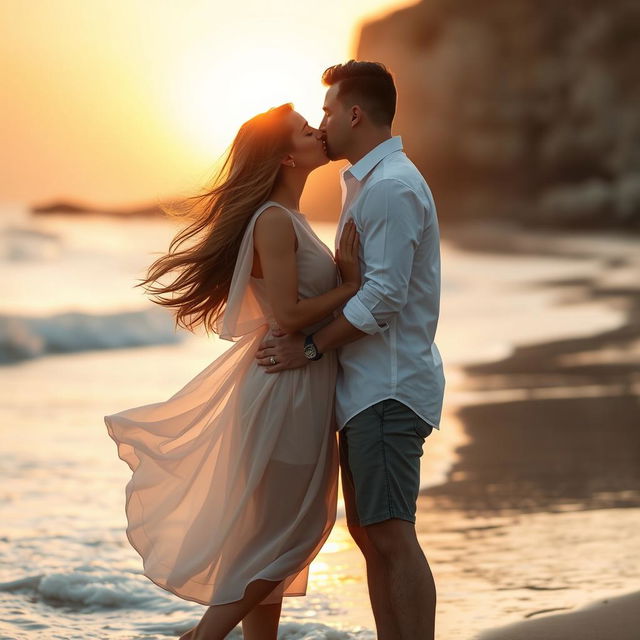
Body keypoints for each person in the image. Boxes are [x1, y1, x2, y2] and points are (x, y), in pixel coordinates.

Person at [104, 102, 362, 640]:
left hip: (297, 385)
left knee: (271, 540)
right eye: (304, 130)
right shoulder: (273, 219)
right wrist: (354, 286)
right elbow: (289, 315)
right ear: (287, 155)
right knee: (287, 536)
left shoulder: (289, 218)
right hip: (284, 392)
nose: (318, 132)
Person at [255, 60, 446, 640]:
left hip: (386, 388)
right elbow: (365, 286)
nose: (323, 122)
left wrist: (308, 349)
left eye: (329, 111)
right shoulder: (366, 182)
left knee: (389, 532)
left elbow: (382, 298)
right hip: (367, 390)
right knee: (369, 534)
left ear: (355, 114)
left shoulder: (389, 187)